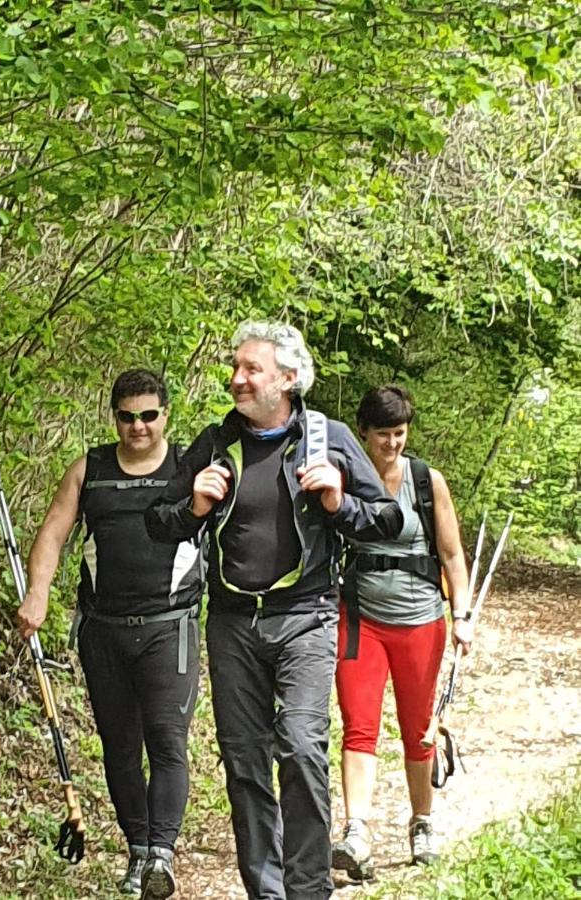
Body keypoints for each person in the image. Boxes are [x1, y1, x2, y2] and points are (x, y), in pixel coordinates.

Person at [145, 322, 403, 900]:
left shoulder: (327, 438)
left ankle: (308, 889)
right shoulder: (214, 444)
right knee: (243, 759)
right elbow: (157, 524)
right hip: (233, 622)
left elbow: (389, 522)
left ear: (287, 379)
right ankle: (267, 889)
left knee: (303, 745)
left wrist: (339, 503)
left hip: (306, 616)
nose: (236, 379)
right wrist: (192, 507)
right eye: (236, 368)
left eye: (250, 369)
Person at [16, 369, 203, 900]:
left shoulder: (190, 467)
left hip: (172, 628)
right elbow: (53, 532)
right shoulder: (89, 469)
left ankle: (162, 855)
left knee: (168, 741)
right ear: (114, 417)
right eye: (127, 416)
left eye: (148, 415)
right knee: (120, 747)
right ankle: (139, 851)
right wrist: (39, 592)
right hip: (104, 631)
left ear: (166, 414)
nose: (138, 426)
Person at [330, 385, 472, 880]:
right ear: (363, 433)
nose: (392, 442)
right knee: (358, 724)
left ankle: (422, 822)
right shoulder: (343, 480)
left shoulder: (425, 481)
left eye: (400, 432)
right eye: (383, 433)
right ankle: (356, 830)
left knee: (418, 728)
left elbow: (452, 555)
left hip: (421, 623)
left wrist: (464, 615)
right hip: (360, 620)